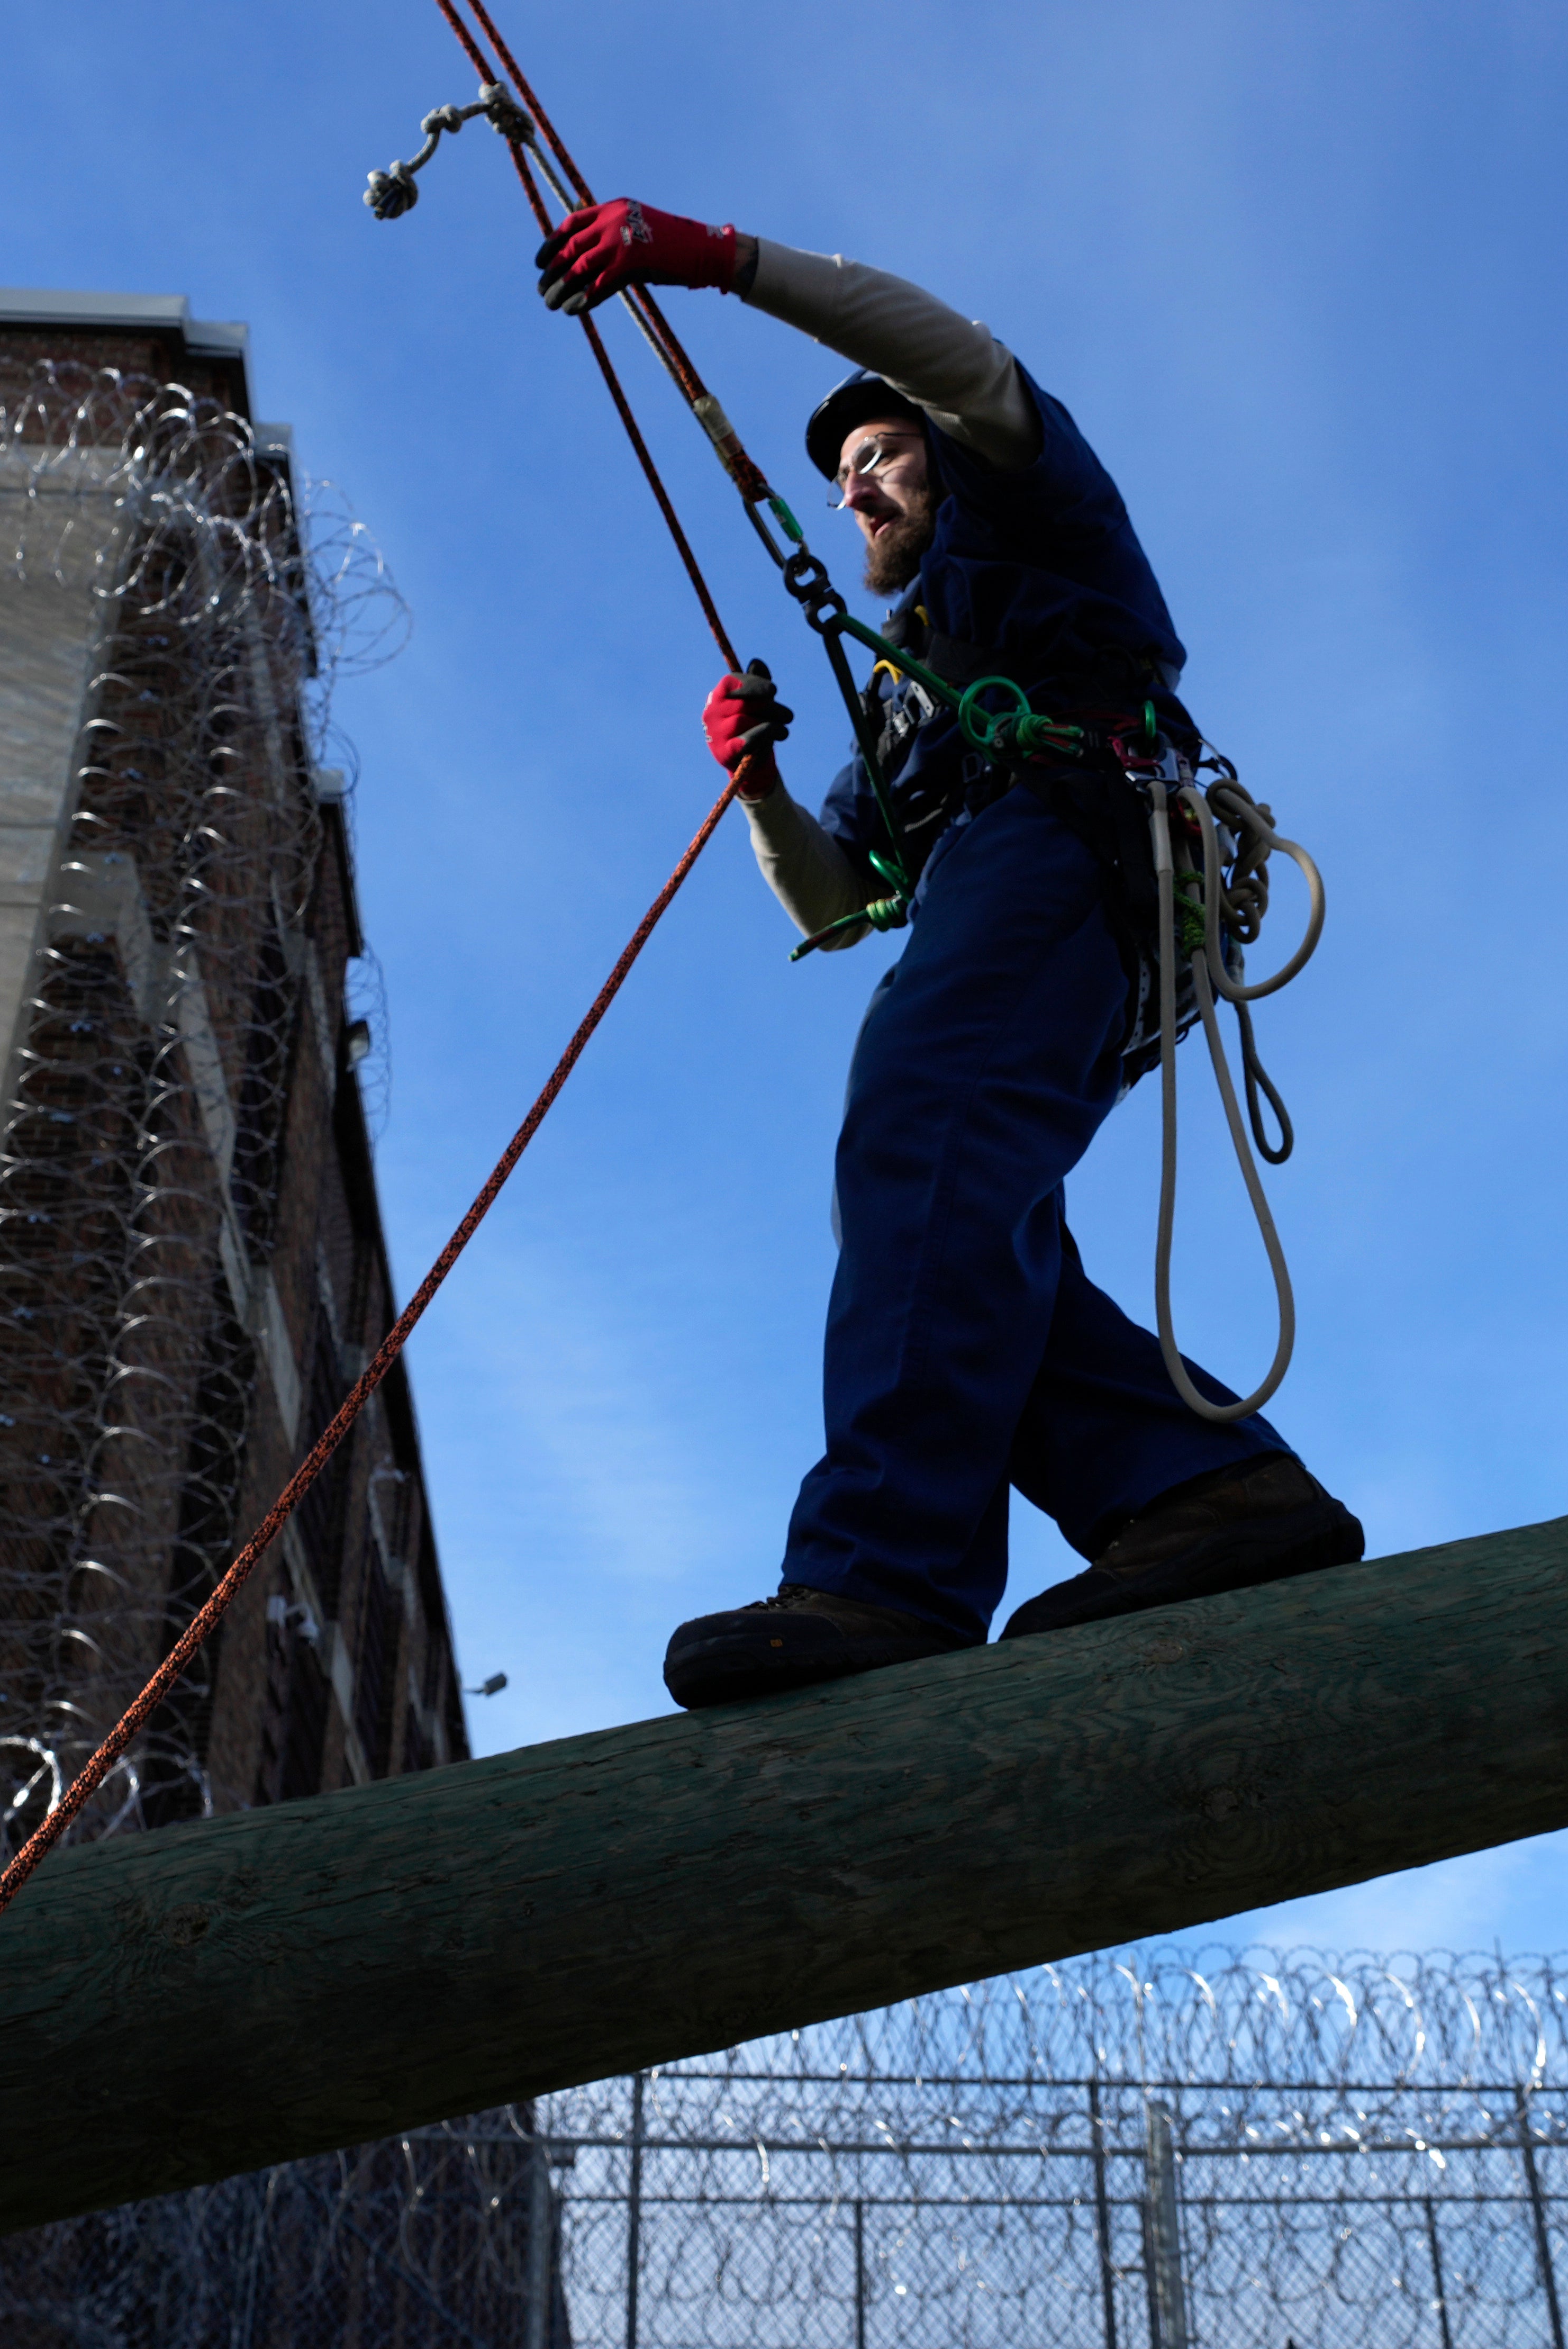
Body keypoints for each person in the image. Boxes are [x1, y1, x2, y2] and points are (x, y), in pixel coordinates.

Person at [535, 201, 1364, 1711]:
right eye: (846, 480)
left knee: (921, 1132)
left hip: (1070, 833)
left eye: (881, 458)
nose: (860, 490)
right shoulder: (907, 696)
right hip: (1025, 871)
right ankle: (1201, 1491)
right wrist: (764, 799)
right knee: (963, 1202)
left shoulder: (1035, 516)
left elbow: (954, 354)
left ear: (942, 451)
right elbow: (842, 905)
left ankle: (885, 1575)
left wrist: (717, 261)